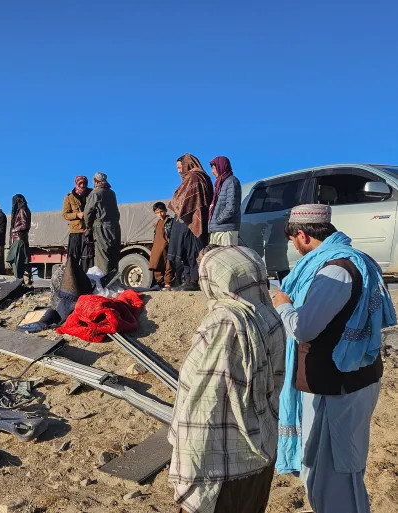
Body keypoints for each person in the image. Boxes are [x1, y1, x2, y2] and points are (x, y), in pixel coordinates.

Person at [272, 204, 396, 513]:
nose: (293, 247)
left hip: (339, 385)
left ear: (302, 235)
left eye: (292, 240)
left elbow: (304, 328)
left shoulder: (334, 270)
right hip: (349, 378)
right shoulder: (354, 260)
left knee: (339, 473)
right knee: (323, 468)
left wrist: (283, 305)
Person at [169, 244, 286, 513]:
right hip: (262, 450)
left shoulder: (224, 323)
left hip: (221, 465)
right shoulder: (272, 317)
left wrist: (189, 467)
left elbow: (203, 403)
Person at [168, 154, 214, 291]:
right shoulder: (197, 177)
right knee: (187, 250)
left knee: (194, 251)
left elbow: (185, 199)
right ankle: (188, 280)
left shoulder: (195, 177)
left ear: (187, 164)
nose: (178, 170)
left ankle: (194, 281)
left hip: (193, 220)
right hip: (189, 221)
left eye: (179, 167)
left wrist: (177, 204)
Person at [84, 172, 121, 277]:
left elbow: (88, 212)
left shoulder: (95, 193)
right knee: (114, 255)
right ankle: (114, 282)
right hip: (115, 227)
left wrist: (88, 227)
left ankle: (104, 284)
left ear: (95, 181)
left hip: (101, 227)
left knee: (103, 257)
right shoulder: (112, 193)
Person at [208, 156, 242, 246]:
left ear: (221, 166)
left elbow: (231, 207)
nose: (212, 171)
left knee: (227, 258)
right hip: (218, 229)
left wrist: (218, 220)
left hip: (225, 230)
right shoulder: (220, 184)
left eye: (214, 168)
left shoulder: (232, 181)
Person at [62, 175, 93, 272]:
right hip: (75, 232)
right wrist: (77, 215)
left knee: (87, 259)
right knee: (73, 259)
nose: (83, 185)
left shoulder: (91, 194)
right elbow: (65, 214)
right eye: (80, 183)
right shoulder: (69, 197)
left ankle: (87, 281)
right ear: (76, 184)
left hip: (88, 231)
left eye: (85, 183)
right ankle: (73, 282)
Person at [148, 202, 175, 290]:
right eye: (157, 212)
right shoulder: (157, 223)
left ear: (166, 211)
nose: (159, 214)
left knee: (168, 264)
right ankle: (160, 283)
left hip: (167, 246)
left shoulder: (170, 221)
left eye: (161, 211)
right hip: (157, 246)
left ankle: (168, 283)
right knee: (156, 264)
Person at [6, 194, 31, 279]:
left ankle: (18, 283)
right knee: (16, 264)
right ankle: (19, 282)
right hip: (18, 239)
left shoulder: (22, 210)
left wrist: (14, 230)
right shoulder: (21, 210)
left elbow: (25, 225)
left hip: (19, 240)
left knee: (17, 263)